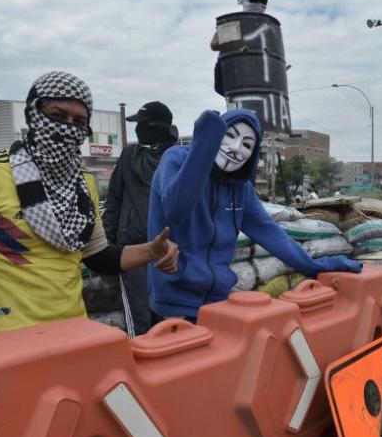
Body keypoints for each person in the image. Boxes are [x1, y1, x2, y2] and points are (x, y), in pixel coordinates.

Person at [0, 71, 179, 336]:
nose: (67, 127)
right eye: (57, 116)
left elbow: (97, 256)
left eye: (79, 121)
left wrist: (153, 251)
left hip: (73, 334)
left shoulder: (82, 182)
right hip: (8, 340)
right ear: (33, 113)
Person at [147, 109, 361, 321]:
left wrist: (317, 267)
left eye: (247, 145)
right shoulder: (176, 160)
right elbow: (177, 209)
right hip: (175, 303)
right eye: (229, 136)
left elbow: (270, 233)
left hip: (217, 300)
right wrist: (205, 145)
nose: (235, 149)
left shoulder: (240, 188)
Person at [103, 101, 178, 336]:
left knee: (170, 318)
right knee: (140, 320)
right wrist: (107, 247)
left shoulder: (177, 158)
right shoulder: (129, 156)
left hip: (170, 251)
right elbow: (113, 200)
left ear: (158, 126)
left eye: (142, 124)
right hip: (132, 250)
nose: (138, 130)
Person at [211, 0, 270, 95]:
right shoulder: (234, 22)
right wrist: (235, 33)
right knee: (235, 102)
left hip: (258, 82)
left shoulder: (268, 26)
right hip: (233, 78)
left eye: (263, 0)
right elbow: (214, 44)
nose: (259, 3)